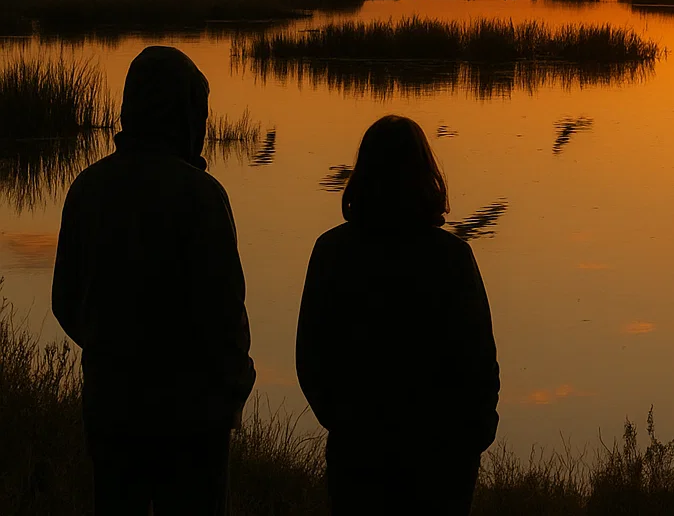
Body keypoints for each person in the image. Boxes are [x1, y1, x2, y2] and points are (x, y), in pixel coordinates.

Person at [52, 45, 256, 515]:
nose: (203, 128)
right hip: (192, 420)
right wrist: (232, 388)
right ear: (183, 115)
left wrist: (109, 347)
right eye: (199, 114)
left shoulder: (88, 187)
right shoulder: (201, 197)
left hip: (111, 408)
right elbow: (226, 317)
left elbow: (65, 299)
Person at [296, 115, 499, 515]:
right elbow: (479, 361)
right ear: (425, 174)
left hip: (359, 457)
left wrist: (345, 425)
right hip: (440, 463)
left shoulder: (332, 251)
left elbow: (311, 359)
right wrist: (471, 440)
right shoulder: (452, 258)